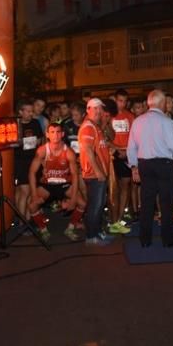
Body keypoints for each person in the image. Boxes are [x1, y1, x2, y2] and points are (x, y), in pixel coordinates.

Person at [127, 90, 173, 247]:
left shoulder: (138, 121)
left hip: (144, 164)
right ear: (161, 103)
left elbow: (131, 147)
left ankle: (145, 239)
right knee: (166, 203)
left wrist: (134, 166)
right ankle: (168, 239)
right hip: (164, 164)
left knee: (147, 203)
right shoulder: (167, 122)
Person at [27, 122, 84, 242]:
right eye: (52, 132)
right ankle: (43, 230)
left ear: (62, 134)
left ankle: (70, 228)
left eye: (58, 132)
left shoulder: (69, 152)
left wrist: (73, 199)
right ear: (47, 134)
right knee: (32, 205)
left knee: (82, 203)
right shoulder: (42, 150)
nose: (55, 135)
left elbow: (74, 175)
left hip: (64, 185)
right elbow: (32, 172)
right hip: (47, 185)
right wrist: (34, 194)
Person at [79, 99, 115, 246]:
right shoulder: (88, 126)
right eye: (95, 109)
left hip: (99, 172)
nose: (99, 111)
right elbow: (88, 150)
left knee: (99, 205)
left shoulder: (95, 126)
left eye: (100, 109)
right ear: (88, 110)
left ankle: (97, 233)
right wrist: (98, 171)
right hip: (94, 174)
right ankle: (91, 236)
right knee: (95, 205)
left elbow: (98, 147)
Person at [13, 100, 44, 225]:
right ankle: (22, 222)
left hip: (34, 160)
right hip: (20, 161)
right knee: (24, 191)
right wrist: (27, 142)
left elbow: (40, 139)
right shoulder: (15, 124)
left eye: (32, 111)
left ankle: (28, 219)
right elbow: (15, 143)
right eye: (28, 111)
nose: (31, 114)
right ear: (20, 112)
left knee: (32, 190)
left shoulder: (35, 123)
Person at [110, 89, 136, 227]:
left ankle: (119, 218)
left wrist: (127, 151)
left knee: (126, 184)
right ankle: (113, 218)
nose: (123, 104)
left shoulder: (130, 116)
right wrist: (116, 148)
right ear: (115, 100)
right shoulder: (109, 116)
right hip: (113, 154)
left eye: (125, 101)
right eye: (120, 100)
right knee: (114, 188)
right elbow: (106, 136)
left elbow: (133, 135)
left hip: (126, 154)